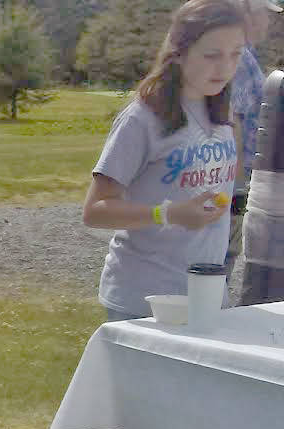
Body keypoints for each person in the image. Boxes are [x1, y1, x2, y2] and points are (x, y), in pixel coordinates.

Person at [82, 0, 247, 321]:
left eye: (236, 54)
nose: (225, 67)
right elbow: (95, 211)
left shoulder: (224, 113)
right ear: (179, 52)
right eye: (212, 55)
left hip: (207, 294)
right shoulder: (143, 119)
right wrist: (169, 213)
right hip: (145, 300)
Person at [231, 0, 281, 303]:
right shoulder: (236, 57)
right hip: (233, 190)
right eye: (266, 13)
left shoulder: (246, 55)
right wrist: (235, 192)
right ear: (246, 11)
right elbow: (231, 121)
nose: (270, 22)